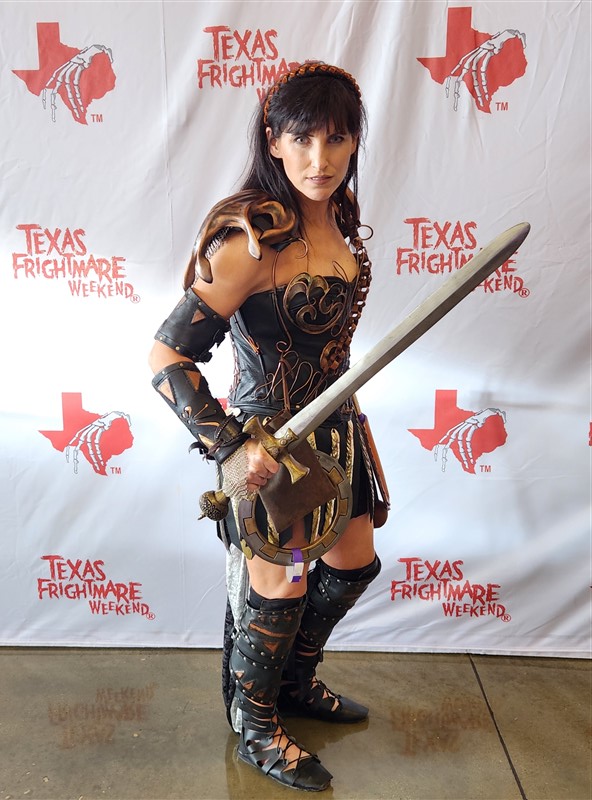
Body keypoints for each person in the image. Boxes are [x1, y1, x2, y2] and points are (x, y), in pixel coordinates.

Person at [149, 61, 385, 792]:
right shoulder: (249, 241)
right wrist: (232, 445)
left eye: (337, 139)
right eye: (302, 139)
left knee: (352, 566)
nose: (320, 159)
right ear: (273, 140)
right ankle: (255, 724)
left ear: (354, 142)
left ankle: (293, 683)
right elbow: (168, 356)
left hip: (338, 434)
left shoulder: (339, 221)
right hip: (271, 449)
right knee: (280, 587)